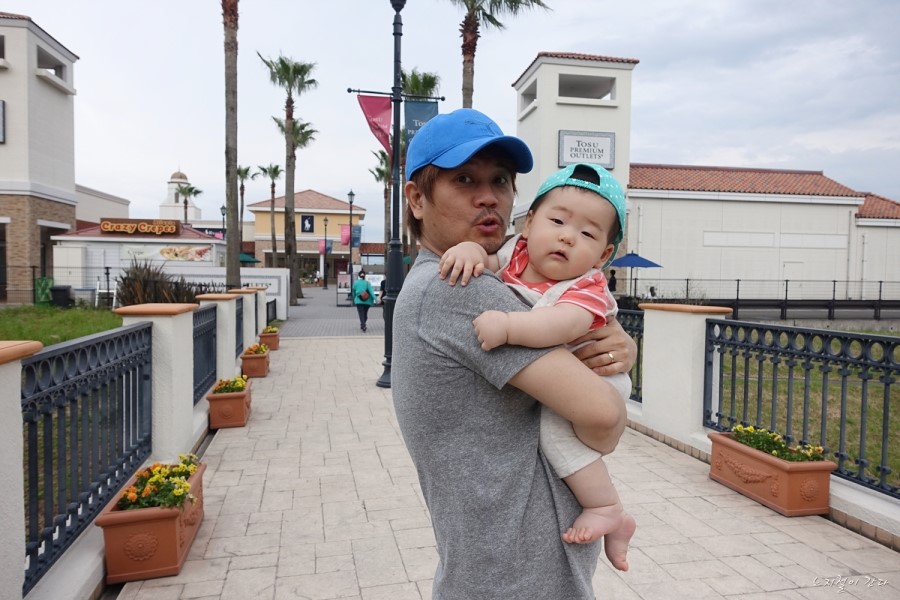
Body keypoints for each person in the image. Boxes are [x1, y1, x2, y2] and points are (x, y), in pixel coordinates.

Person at [392, 108, 637, 599]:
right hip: (515, 578)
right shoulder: (458, 289)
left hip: (503, 569)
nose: (489, 196)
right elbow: (604, 418)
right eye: (464, 179)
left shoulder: (480, 277)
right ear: (417, 199)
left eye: (500, 180)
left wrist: (614, 342)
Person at [439, 162, 636, 570]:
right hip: (567, 376)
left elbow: (564, 323)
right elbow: (487, 261)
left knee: (554, 433)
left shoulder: (587, 287)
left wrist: (509, 326)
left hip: (597, 377)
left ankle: (607, 507)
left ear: (603, 256)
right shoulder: (515, 253)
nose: (567, 236)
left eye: (587, 234)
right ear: (528, 223)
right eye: (557, 221)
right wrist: (471, 250)